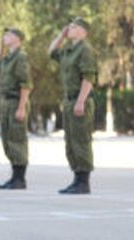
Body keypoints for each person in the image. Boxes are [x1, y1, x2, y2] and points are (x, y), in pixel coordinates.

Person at [49, 17, 97, 194]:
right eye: (68, 26)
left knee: (81, 141)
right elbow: (52, 51)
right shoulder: (69, 50)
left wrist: (81, 101)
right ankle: (77, 179)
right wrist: (61, 35)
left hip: (79, 100)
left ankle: (83, 182)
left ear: (83, 31)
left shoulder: (85, 49)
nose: (69, 28)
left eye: (73, 27)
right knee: (70, 142)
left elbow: (88, 77)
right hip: (69, 101)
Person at [0, 28, 32, 190]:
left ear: (18, 39)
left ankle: (20, 178)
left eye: (9, 35)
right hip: (6, 103)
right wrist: (2, 45)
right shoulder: (8, 58)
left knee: (17, 140)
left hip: (16, 101)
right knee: (8, 141)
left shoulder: (20, 57)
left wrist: (21, 107)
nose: (5, 37)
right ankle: (14, 176)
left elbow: (25, 84)